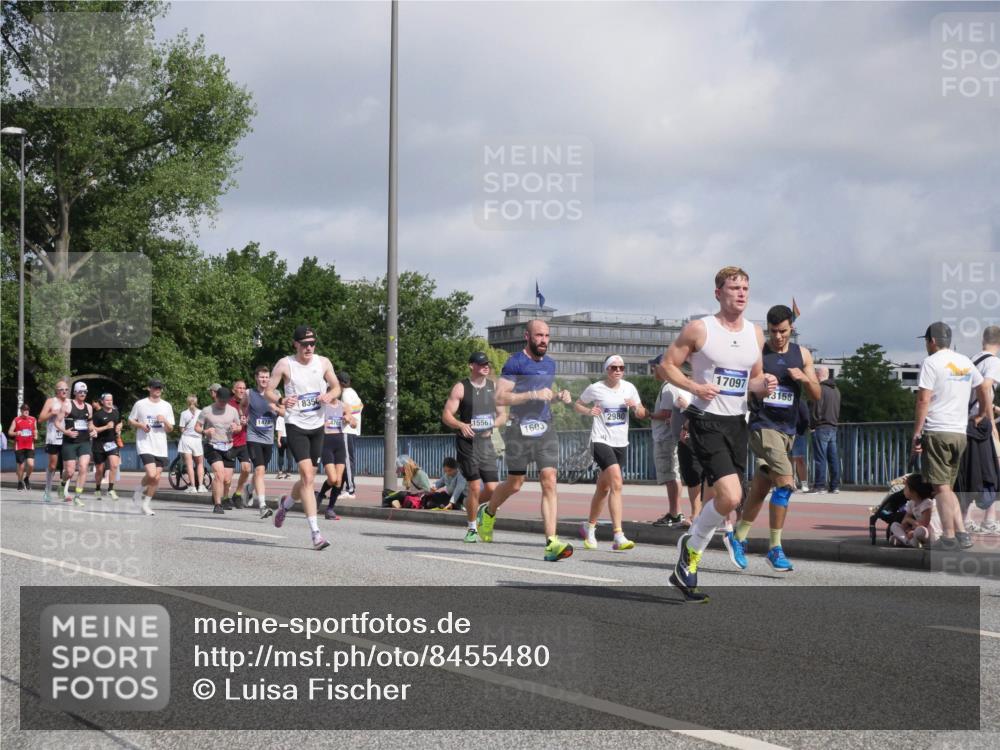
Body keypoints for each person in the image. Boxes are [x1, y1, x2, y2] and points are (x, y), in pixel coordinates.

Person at [661, 267, 777, 602]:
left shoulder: (755, 334)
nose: (741, 294)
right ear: (718, 293)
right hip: (704, 419)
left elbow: (752, 380)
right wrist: (694, 385)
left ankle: (689, 551)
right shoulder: (700, 329)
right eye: (734, 288)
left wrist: (764, 385)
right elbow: (667, 365)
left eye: (745, 288)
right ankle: (693, 547)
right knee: (729, 495)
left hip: (736, 423)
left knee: (731, 498)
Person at [726, 304, 821, 573]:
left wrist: (804, 378)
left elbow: (816, 395)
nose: (778, 337)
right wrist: (757, 389)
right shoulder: (757, 354)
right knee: (786, 483)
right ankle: (775, 548)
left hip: (787, 430)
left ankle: (738, 538)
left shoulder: (802, 354)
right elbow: (738, 388)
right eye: (773, 331)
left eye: (783, 331)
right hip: (761, 426)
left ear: (792, 328)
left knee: (760, 488)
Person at [477, 319, 575, 562]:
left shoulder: (550, 364)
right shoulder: (515, 362)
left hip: (545, 428)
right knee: (515, 483)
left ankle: (551, 542)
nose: (543, 340)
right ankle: (487, 512)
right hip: (519, 429)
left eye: (547, 336)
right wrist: (532, 394)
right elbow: (499, 398)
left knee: (549, 480)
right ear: (527, 336)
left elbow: (543, 396)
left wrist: (557, 396)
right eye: (539, 335)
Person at [913, 322, 991, 550]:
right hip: (959, 433)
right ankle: (961, 534)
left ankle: (949, 536)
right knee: (947, 486)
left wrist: (917, 432)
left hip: (938, 430)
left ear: (932, 341)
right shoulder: (964, 361)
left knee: (941, 487)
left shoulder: (931, 362)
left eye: (927, 341)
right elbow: (984, 387)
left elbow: (923, 400)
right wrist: (984, 413)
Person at [265, 325, 341, 551]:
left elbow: (337, 386)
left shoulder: (323, 362)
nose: (309, 347)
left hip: (317, 426)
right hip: (295, 424)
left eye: (312, 343)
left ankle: (285, 505)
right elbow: (269, 390)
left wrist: (329, 394)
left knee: (307, 478)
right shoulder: (285, 364)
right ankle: (316, 534)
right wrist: (281, 401)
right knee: (308, 476)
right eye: (305, 343)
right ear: (295, 344)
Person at [574, 354, 648, 551]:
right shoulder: (596, 388)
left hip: (620, 442)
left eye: (621, 368)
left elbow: (642, 413)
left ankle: (589, 528)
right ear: (606, 369)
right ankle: (618, 535)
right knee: (617, 481)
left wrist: (635, 408)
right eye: (613, 367)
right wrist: (589, 411)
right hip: (600, 440)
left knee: (604, 488)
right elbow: (577, 404)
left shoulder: (629, 388)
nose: (617, 371)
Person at [441, 351, 505, 542]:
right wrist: (461, 425)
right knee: (475, 486)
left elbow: (502, 414)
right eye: (482, 363)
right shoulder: (461, 388)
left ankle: (476, 506)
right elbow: (447, 415)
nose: (486, 366)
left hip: (485, 443)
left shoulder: (493, 388)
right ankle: (471, 529)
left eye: (488, 364)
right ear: (471, 366)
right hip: (467, 443)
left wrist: (492, 425)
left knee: (493, 489)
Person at [961, 325, 1000, 534]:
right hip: (980, 424)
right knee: (991, 472)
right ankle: (989, 520)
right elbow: (985, 387)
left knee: (971, 473)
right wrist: (987, 415)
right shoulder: (994, 362)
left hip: (965, 422)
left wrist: (990, 407)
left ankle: (966, 520)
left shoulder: (971, 359)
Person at [649, 354, 690, 528]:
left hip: (665, 437)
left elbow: (667, 413)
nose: (653, 371)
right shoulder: (673, 385)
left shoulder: (669, 388)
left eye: (654, 367)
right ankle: (675, 512)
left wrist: (647, 414)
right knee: (672, 475)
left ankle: (675, 513)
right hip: (670, 436)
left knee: (670, 475)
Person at [127, 378, 175, 516]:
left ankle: (145, 504)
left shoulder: (166, 406)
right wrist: (140, 425)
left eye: (160, 387)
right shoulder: (140, 404)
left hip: (160, 446)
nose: (158, 390)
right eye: (155, 387)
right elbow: (130, 420)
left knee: (156, 478)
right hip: (145, 443)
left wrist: (164, 420)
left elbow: (170, 429)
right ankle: (138, 491)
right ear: (149, 388)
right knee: (151, 474)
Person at [196, 386, 242, 514]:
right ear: (216, 397)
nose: (223, 403)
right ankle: (218, 504)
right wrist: (205, 431)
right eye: (221, 400)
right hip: (212, 445)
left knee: (227, 479)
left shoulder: (233, 411)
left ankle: (217, 495)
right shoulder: (207, 410)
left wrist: (236, 428)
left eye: (225, 401)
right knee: (219, 474)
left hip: (228, 446)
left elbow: (239, 427)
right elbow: (197, 427)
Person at [245, 365, 283, 519]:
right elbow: (242, 407)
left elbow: (285, 412)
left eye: (267, 377)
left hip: (268, 439)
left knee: (260, 472)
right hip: (253, 437)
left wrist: (276, 408)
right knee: (259, 470)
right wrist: (242, 416)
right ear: (256, 378)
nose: (264, 380)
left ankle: (249, 489)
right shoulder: (249, 393)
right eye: (261, 377)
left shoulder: (276, 394)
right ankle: (262, 506)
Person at [316, 393, 355, 520]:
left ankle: (330, 509)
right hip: (326, 444)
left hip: (339, 445)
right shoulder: (322, 406)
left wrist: (349, 419)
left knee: (339, 480)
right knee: (332, 479)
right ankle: (320, 495)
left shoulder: (344, 406)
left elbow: (354, 424)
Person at [59, 381, 96, 506]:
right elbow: (57, 422)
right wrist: (66, 432)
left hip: (84, 442)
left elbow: (90, 423)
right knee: (69, 471)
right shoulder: (67, 405)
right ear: (75, 392)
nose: (83, 394)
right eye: (80, 391)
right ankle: (63, 484)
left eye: (85, 392)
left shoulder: (89, 407)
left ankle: (78, 496)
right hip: (70, 442)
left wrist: (93, 430)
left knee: (83, 467)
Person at [809, 366, 841, 494]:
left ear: (817, 375)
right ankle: (834, 486)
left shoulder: (819, 389)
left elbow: (816, 408)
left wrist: (812, 425)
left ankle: (819, 486)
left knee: (820, 458)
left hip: (821, 426)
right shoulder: (836, 390)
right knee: (833, 458)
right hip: (833, 426)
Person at [37, 380, 69, 502]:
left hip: (67, 437)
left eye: (66, 389)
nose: (64, 391)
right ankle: (48, 490)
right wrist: (51, 413)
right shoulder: (51, 401)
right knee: (53, 465)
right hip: (53, 437)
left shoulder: (69, 402)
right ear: (57, 391)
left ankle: (64, 491)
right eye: (62, 389)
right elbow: (40, 419)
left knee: (67, 466)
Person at [888, 474, 939, 548]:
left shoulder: (927, 503)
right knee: (894, 525)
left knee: (921, 531)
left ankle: (904, 541)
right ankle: (908, 542)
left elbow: (924, 524)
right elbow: (904, 522)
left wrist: (910, 523)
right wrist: (907, 530)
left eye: (906, 487)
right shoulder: (911, 503)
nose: (903, 490)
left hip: (930, 533)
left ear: (914, 491)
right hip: (916, 528)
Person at [91, 393, 123, 500]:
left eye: (111, 400)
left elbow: (119, 423)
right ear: (102, 402)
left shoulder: (115, 412)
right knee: (100, 469)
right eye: (107, 400)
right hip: (99, 443)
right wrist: (106, 427)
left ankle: (111, 489)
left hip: (111, 443)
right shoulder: (97, 415)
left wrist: (119, 427)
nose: (110, 402)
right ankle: (97, 488)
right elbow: (93, 429)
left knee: (114, 465)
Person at [338, 371, 363, 499]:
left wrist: (340, 420)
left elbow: (347, 414)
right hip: (354, 431)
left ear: (340, 383)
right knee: (347, 460)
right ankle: (340, 488)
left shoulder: (345, 395)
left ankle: (350, 490)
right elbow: (361, 407)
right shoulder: (353, 393)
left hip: (347, 430)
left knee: (347, 460)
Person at [228, 379, 252, 509]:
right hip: (229, 442)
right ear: (234, 390)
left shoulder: (248, 404)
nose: (242, 390)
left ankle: (237, 494)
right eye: (239, 388)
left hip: (243, 441)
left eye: (244, 388)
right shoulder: (228, 404)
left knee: (246, 469)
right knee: (228, 476)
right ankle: (223, 497)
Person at [177, 395, 206, 495]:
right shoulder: (202, 412)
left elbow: (181, 428)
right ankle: (201, 486)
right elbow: (202, 426)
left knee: (189, 465)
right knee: (200, 464)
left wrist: (186, 430)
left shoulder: (184, 413)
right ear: (196, 402)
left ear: (187, 402)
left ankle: (193, 486)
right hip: (197, 439)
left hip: (186, 440)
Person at [8, 403, 37, 491]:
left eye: (27, 410)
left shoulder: (33, 419)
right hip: (19, 445)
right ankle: (20, 482)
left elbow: (35, 429)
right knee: (21, 466)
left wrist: (36, 435)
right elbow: (10, 432)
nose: (26, 411)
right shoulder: (16, 420)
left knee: (31, 464)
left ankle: (26, 478)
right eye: (24, 410)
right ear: (21, 411)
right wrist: (16, 433)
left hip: (29, 445)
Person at [791, 399, 810, 492]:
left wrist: (801, 430)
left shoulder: (800, 402)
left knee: (799, 459)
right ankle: (791, 482)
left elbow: (806, 418)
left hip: (797, 433)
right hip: (788, 432)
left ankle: (803, 483)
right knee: (790, 459)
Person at [275, 413, 292, 479]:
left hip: (283, 437)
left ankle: (280, 473)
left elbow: (280, 430)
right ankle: (289, 473)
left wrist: (278, 440)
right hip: (290, 438)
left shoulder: (280, 418)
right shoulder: (290, 416)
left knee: (281, 455)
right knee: (289, 456)